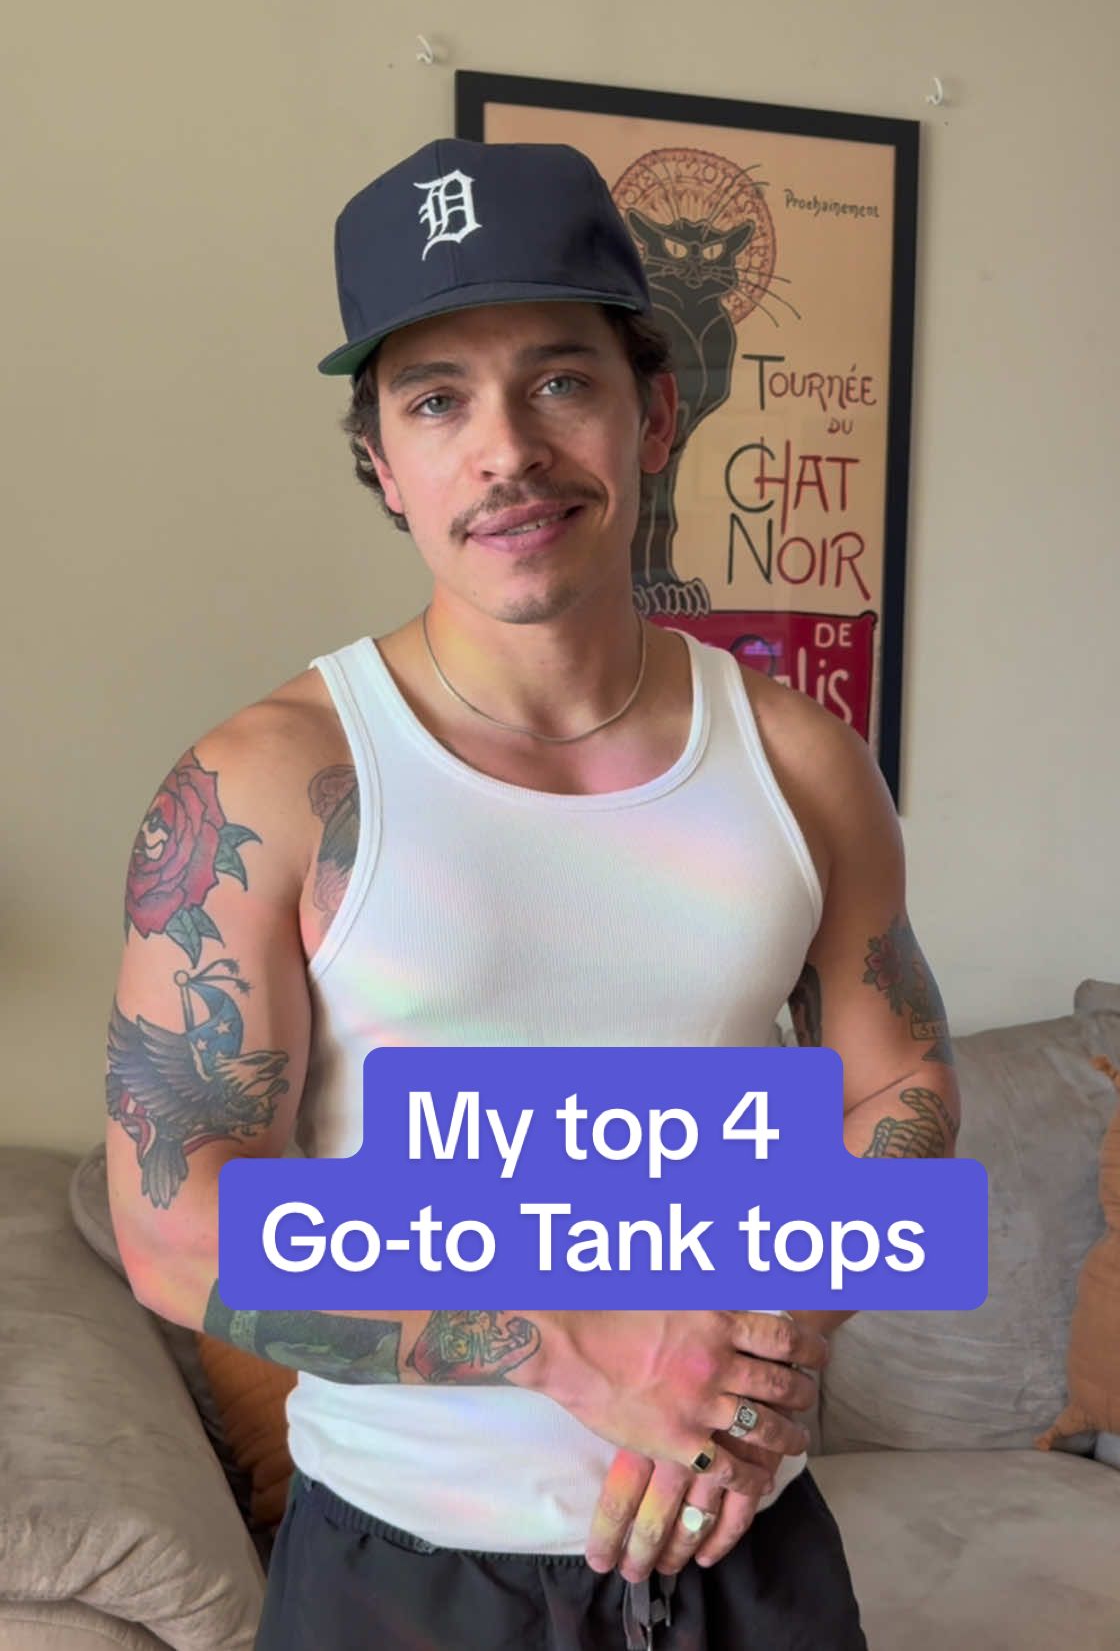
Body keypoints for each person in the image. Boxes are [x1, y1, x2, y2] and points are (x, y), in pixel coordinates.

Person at [106, 137, 960, 1651]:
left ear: (655, 414)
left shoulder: (799, 760)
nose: (505, 450)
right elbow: (175, 1228)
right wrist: (574, 1344)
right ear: (382, 462)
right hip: (410, 1574)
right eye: (436, 400)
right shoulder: (264, 785)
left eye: (560, 380)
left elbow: (898, 1083)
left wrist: (762, 1343)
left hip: (748, 1551)